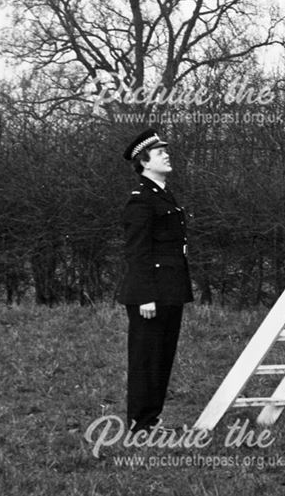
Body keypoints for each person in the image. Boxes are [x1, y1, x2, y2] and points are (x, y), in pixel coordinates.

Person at [116, 129, 193, 432]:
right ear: (144, 162)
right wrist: (145, 295)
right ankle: (140, 424)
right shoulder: (141, 201)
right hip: (150, 294)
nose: (166, 155)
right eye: (160, 152)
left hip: (170, 290)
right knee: (146, 360)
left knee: (162, 359)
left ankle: (152, 421)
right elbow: (137, 251)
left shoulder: (162, 194)